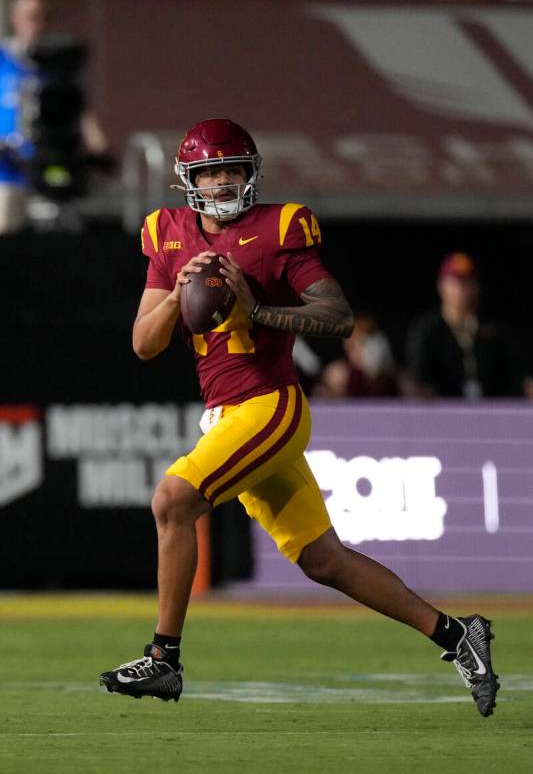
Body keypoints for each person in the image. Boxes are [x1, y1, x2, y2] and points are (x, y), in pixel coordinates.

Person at [99, 119, 499, 718]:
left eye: (233, 169)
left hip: (270, 403)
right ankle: (455, 634)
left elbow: (336, 316)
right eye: (211, 171)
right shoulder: (167, 233)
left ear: (251, 174)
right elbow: (143, 344)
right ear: (191, 181)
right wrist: (179, 296)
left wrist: (257, 309)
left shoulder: (279, 228)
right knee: (323, 559)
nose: (223, 180)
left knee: (172, 500)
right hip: (225, 412)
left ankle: (163, 659)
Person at [0, 0, 109, 233]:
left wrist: (98, 145)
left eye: (44, 17)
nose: (38, 24)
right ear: (15, 19)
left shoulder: (58, 63)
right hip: (8, 167)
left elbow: (79, 106)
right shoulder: (3, 59)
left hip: (47, 161)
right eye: (31, 16)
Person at [405, 252, 525, 399]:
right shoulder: (427, 330)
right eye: (454, 282)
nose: (461, 289)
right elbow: (419, 377)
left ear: (476, 287)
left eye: (467, 281)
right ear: (441, 286)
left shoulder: (494, 331)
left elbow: (513, 376)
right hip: (443, 412)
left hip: (490, 411)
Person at [314, 312, 397, 398]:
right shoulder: (338, 376)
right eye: (351, 347)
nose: (357, 352)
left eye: (364, 344)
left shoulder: (392, 377)